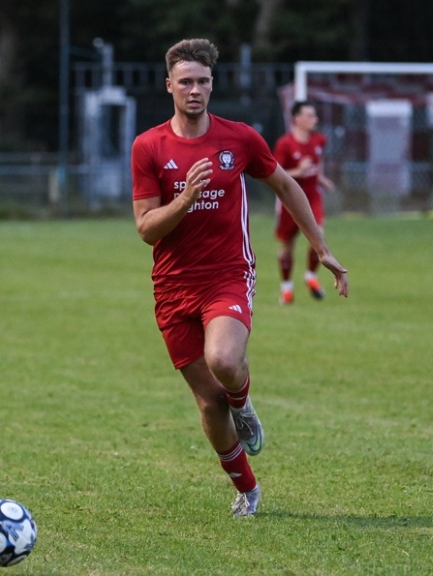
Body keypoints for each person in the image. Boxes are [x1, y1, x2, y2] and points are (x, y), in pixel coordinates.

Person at [131, 38, 349, 518]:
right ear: (169, 86)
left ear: (213, 85)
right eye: (185, 81)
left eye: (203, 82)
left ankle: (244, 405)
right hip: (172, 287)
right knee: (209, 403)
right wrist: (184, 200)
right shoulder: (148, 146)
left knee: (224, 360)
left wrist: (322, 248)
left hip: (229, 273)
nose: (195, 90)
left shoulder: (240, 139)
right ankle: (247, 489)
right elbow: (146, 229)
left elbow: (287, 185)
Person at [273, 101, 335, 304]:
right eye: (309, 115)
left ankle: (310, 276)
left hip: (312, 196)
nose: (314, 119)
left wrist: (321, 177)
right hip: (290, 199)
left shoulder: (319, 140)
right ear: (297, 118)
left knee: (319, 235)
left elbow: (319, 163)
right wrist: (298, 172)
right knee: (287, 246)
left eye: (315, 115)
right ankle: (287, 288)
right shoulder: (285, 144)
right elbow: (275, 175)